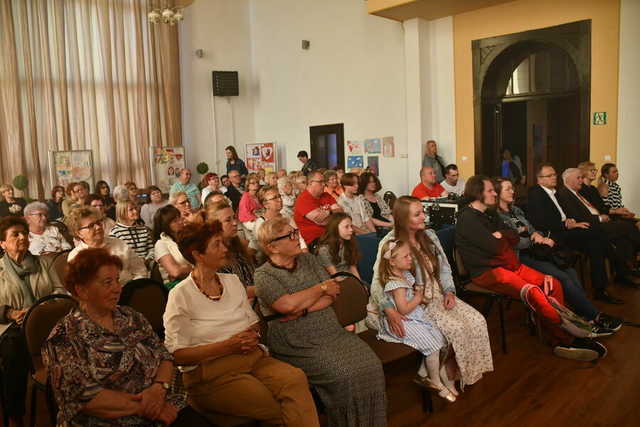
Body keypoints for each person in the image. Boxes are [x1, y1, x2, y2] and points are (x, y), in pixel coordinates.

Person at [162, 221, 319, 426]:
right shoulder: (180, 295)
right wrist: (228, 346)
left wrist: (251, 335)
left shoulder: (232, 281)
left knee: (295, 379)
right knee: (276, 406)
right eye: (217, 245)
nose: (225, 249)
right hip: (210, 374)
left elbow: (253, 323)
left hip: (250, 357)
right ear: (198, 255)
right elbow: (178, 354)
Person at [43, 247, 208, 427]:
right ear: (82, 290)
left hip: (162, 402)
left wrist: (159, 388)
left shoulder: (131, 316)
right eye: (107, 282)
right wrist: (148, 407)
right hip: (108, 420)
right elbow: (85, 397)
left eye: (117, 280)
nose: (117, 289)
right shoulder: (65, 337)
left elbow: (164, 356)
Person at [456, 175, 608, 361]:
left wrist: (501, 234)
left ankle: (563, 332)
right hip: (488, 272)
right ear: (477, 193)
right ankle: (564, 339)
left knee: (552, 283)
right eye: (490, 190)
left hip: (509, 265)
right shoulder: (467, 219)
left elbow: (513, 236)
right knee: (535, 293)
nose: (494, 193)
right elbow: (496, 247)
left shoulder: (490, 213)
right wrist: (504, 238)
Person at [254, 217, 387, 426]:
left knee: (372, 365)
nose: (296, 237)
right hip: (296, 340)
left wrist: (304, 306)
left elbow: (333, 292)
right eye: (289, 235)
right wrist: (319, 289)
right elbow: (287, 306)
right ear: (272, 247)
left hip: (330, 330)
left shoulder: (308, 260)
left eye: (295, 232)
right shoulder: (263, 275)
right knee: (344, 374)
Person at [369, 196, 492, 390]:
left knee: (477, 321)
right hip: (416, 301)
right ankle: (444, 376)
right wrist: (389, 309)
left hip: (438, 294)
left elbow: (443, 269)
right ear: (403, 218)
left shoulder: (430, 235)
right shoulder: (390, 243)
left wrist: (450, 291)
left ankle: (453, 373)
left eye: (422, 212)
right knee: (456, 329)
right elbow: (377, 282)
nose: (424, 216)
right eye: (417, 214)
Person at [494, 177, 622, 334]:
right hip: (521, 256)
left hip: (539, 250)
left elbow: (533, 229)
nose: (513, 191)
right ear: (497, 193)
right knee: (561, 278)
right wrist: (534, 240)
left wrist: (539, 236)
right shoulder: (497, 217)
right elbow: (514, 243)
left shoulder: (515, 210)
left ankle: (583, 314)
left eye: (512, 188)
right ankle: (595, 315)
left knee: (570, 271)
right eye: (508, 189)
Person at [0, 216, 66, 427]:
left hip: (46, 323)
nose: (22, 238)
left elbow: (59, 291)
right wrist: (10, 313)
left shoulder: (44, 263)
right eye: (15, 234)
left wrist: (41, 310)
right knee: (13, 349)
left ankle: (75, 404)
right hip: (12, 327)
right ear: (2, 243)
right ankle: (15, 414)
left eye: (24, 234)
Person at [527, 163, 623, 304]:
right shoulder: (536, 194)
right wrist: (567, 224)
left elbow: (567, 214)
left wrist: (572, 222)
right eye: (550, 175)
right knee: (598, 236)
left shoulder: (555, 192)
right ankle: (608, 277)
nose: (554, 177)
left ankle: (602, 287)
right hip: (557, 235)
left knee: (596, 241)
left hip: (567, 230)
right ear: (539, 179)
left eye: (554, 174)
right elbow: (540, 222)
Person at [376, 239, 455, 402]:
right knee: (432, 346)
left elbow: (409, 298)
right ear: (392, 261)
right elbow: (403, 309)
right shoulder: (396, 283)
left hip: (414, 315)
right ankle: (434, 381)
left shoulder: (403, 274)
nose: (410, 259)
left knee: (440, 338)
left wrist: (419, 298)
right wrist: (418, 297)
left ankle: (429, 373)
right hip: (404, 319)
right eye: (406, 257)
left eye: (410, 255)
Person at [557, 168, 640, 286]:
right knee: (626, 227)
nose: (581, 180)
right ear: (567, 180)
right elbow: (576, 217)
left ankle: (622, 274)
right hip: (590, 226)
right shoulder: (564, 194)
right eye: (578, 178)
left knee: (623, 239)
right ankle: (628, 264)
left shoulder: (577, 193)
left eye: (581, 177)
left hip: (598, 223)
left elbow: (595, 208)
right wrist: (599, 218)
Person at [66, 206, 148, 283]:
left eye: (98, 223)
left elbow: (140, 270)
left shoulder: (119, 243)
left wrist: (133, 289)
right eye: (91, 226)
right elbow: (80, 288)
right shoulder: (75, 256)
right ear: (79, 233)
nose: (98, 227)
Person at [206, 201, 257, 297]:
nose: (235, 223)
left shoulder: (236, 244)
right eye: (227, 220)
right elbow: (230, 292)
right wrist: (265, 288)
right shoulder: (214, 256)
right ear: (214, 225)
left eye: (234, 217)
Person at [251, 186, 307, 254]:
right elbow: (267, 250)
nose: (280, 199)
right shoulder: (261, 224)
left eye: (279, 196)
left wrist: (304, 249)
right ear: (265, 204)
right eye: (275, 198)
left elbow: (299, 235)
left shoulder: (285, 215)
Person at [293, 171, 343, 245]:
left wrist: (328, 212)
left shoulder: (326, 195)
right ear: (310, 183)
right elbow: (323, 221)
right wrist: (332, 212)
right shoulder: (303, 199)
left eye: (324, 182)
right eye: (320, 182)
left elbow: (341, 213)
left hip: (332, 235)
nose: (324, 185)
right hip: (315, 240)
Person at [152, 205, 192, 289]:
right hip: (175, 286)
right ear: (165, 225)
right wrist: (194, 268)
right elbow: (175, 272)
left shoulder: (187, 237)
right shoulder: (161, 244)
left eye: (180, 218)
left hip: (192, 280)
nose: (180, 222)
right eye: (175, 221)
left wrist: (185, 269)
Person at [316, 212, 361, 278]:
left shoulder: (348, 243)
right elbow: (336, 276)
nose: (351, 230)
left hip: (351, 279)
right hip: (336, 283)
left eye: (351, 226)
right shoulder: (324, 250)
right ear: (335, 228)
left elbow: (353, 268)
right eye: (346, 227)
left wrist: (360, 284)